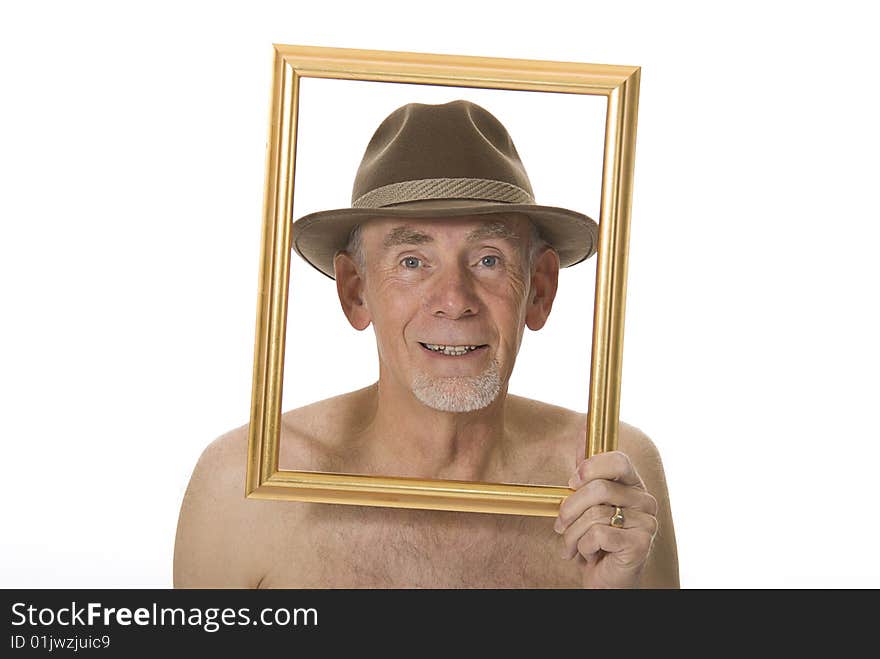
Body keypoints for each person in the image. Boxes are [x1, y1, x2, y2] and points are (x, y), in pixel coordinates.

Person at [173, 100, 679, 588]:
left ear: (539, 290)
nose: (453, 301)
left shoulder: (609, 482)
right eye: (412, 261)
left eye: (488, 259)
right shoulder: (243, 487)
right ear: (355, 291)